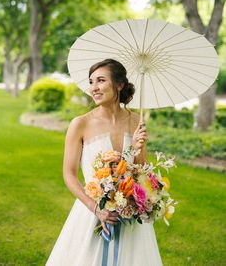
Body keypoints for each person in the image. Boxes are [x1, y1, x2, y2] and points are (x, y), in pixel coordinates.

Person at [46, 59, 162, 266]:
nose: (94, 88)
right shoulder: (80, 124)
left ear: (119, 85)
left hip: (128, 213)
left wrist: (137, 148)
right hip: (91, 211)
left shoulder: (137, 122)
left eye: (101, 80)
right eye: (91, 82)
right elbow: (69, 174)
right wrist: (95, 208)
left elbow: (142, 171)